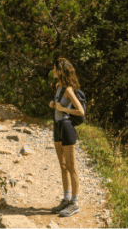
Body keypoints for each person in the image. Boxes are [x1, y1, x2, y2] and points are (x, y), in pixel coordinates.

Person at [49, 56, 85, 218]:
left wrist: (63, 109)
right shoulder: (58, 86)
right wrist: (54, 105)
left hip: (67, 127)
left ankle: (75, 203)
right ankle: (66, 198)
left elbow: (81, 112)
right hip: (57, 127)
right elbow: (59, 106)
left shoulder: (69, 90)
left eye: (55, 68)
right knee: (63, 166)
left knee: (71, 166)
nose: (53, 71)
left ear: (61, 70)